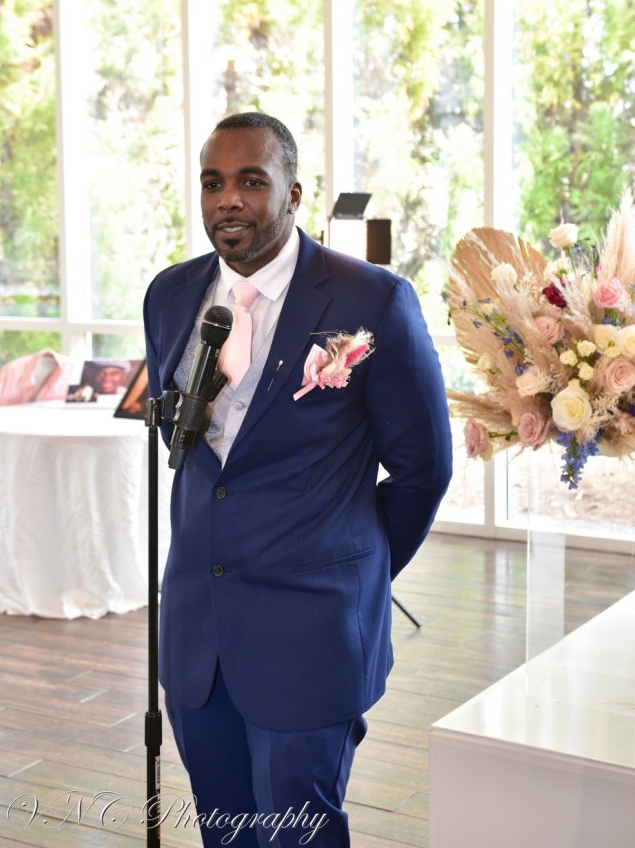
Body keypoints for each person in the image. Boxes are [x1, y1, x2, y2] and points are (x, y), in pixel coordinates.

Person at [143, 111, 452, 847]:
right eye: (213, 183)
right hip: (197, 632)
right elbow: (187, 443)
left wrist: (354, 569)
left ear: (294, 192)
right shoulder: (170, 295)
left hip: (310, 632)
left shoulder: (370, 300)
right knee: (224, 829)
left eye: (252, 181)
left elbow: (423, 468)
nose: (229, 199)